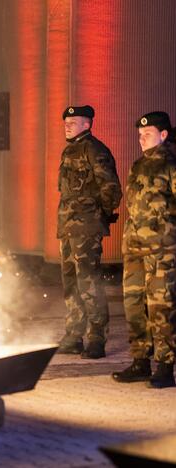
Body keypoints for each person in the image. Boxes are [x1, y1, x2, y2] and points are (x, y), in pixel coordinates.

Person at [113, 111, 176, 388]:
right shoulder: (137, 166)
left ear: (164, 135)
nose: (141, 139)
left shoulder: (171, 164)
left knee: (161, 307)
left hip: (163, 250)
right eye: (139, 135)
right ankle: (141, 361)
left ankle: (165, 365)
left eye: (147, 134)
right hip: (135, 249)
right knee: (134, 305)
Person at [56, 105, 122, 359]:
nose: (68, 125)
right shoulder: (69, 150)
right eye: (67, 121)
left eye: (75, 121)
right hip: (68, 227)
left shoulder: (95, 150)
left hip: (86, 226)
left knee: (89, 281)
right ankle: (74, 334)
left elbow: (111, 187)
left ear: (88, 124)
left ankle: (96, 337)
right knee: (71, 282)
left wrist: (100, 215)